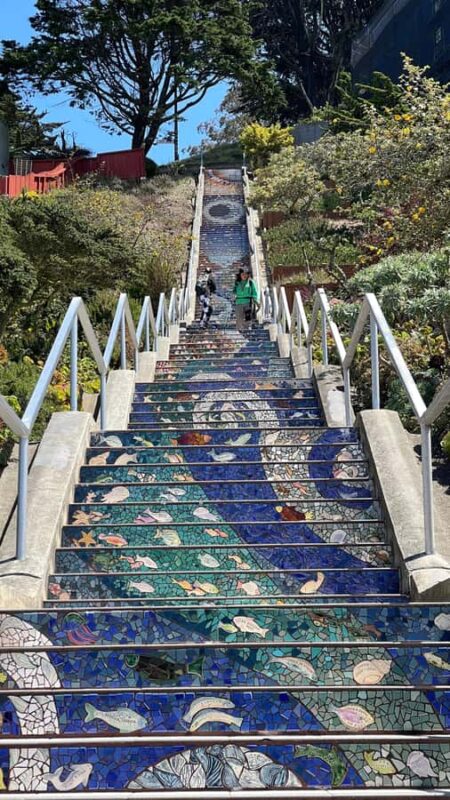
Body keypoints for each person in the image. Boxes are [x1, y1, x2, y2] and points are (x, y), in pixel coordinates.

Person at [233, 268, 259, 332]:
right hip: (238, 301)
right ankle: (239, 329)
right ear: (240, 275)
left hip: (248, 301)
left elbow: (254, 291)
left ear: (248, 275)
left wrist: (255, 299)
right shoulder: (237, 282)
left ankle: (248, 328)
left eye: (246, 274)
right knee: (239, 317)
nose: (244, 275)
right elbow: (234, 291)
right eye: (243, 274)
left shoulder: (250, 282)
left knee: (248, 316)